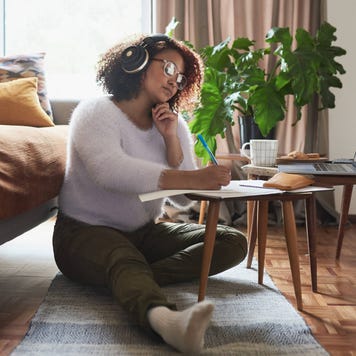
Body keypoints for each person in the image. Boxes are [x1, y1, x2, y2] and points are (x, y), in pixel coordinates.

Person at [52, 33, 247, 354]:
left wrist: (170, 138)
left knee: (230, 241)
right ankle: (167, 322)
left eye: (181, 76)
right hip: (82, 233)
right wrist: (193, 176)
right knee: (121, 257)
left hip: (143, 235)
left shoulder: (174, 124)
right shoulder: (95, 112)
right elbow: (109, 171)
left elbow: (183, 199)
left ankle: (130, 277)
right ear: (137, 62)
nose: (175, 81)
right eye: (169, 68)